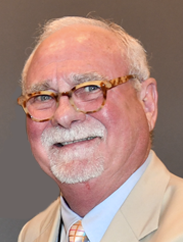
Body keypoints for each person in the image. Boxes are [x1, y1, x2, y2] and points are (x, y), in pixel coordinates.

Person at [17, 16, 183, 242]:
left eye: (89, 88)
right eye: (43, 96)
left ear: (147, 103)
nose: (63, 116)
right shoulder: (32, 234)